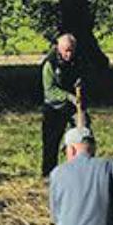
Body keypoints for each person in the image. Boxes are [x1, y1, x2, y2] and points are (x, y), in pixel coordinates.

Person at [40, 32, 88, 177]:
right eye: (66, 50)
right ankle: (49, 174)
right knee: (51, 141)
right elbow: (50, 91)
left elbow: (84, 74)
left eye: (72, 50)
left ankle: (80, 168)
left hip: (72, 107)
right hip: (54, 107)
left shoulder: (78, 59)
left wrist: (81, 81)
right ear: (59, 48)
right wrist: (69, 97)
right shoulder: (49, 64)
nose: (69, 53)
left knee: (83, 131)